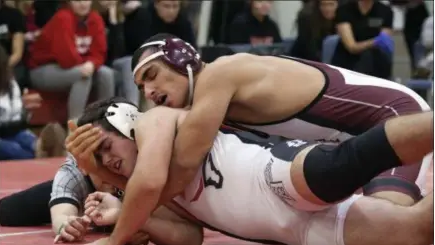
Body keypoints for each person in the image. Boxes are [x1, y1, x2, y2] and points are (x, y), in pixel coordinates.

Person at [66, 97, 433, 245]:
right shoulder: (152, 191)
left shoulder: (155, 121)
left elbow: (147, 181)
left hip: (273, 173)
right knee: (411, 233)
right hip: (291, 232)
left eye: (106, 147)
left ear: (125, 123)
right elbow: (188, 238)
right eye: (99, 159)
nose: (108, 160)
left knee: (341, 165)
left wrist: (115, 239)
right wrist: (118, 202)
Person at [129, 33, 433, 209]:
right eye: (142, 88)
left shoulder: (219, 75)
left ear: (182, 59)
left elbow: (183, 164)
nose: (150, 91)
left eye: (152, 76)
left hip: (397, 117)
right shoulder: (205, 106)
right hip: (358, 144)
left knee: (386, 218)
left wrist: (134, 212)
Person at [0, 152, 202, 245]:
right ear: (85, 166)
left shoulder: (136, 167)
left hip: (124, 203)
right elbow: (61, 217)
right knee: (6, 211)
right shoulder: (73, 173)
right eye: (101, 169)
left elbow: (186, 235)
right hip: (79, 198)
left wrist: (132, 229)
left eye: (113, 166)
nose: (109, 171)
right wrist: (68, 225)